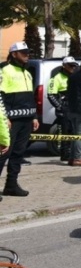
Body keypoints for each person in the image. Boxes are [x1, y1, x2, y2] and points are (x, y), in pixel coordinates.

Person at [0, 42, 38, 198]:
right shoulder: (4, 70)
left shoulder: (27, 72)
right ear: (14, 54)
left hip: (26, 120)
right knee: (3, 154)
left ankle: (11, 185)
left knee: (18, 154)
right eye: (23, 53)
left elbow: (30, 97)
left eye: (28, 52)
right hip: (11, 120)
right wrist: (5, 117)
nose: (27, 55)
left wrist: (34, 116)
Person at [47, 56, 78, 162]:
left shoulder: (74, 77)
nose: (73, 68)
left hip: (74, 108)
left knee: (73, 131)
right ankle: (64, 154)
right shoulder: (56, 78)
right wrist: (60, 107)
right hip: (64, 108)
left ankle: (74, 153)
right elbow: (51, 95)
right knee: (64, 131)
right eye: (70, 66)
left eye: (74, 66)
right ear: (64, 66)